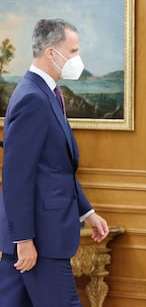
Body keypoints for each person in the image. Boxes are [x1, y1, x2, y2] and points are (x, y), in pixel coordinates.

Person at [0, 19, 109, 306]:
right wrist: (23, 240)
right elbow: (16, 176)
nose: (77, 59)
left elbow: (56, 167)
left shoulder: (46, 94)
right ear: (51, 53)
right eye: (72, 51)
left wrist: (87, 213)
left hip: (40, 237)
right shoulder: (32, 98)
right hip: (39, 241)